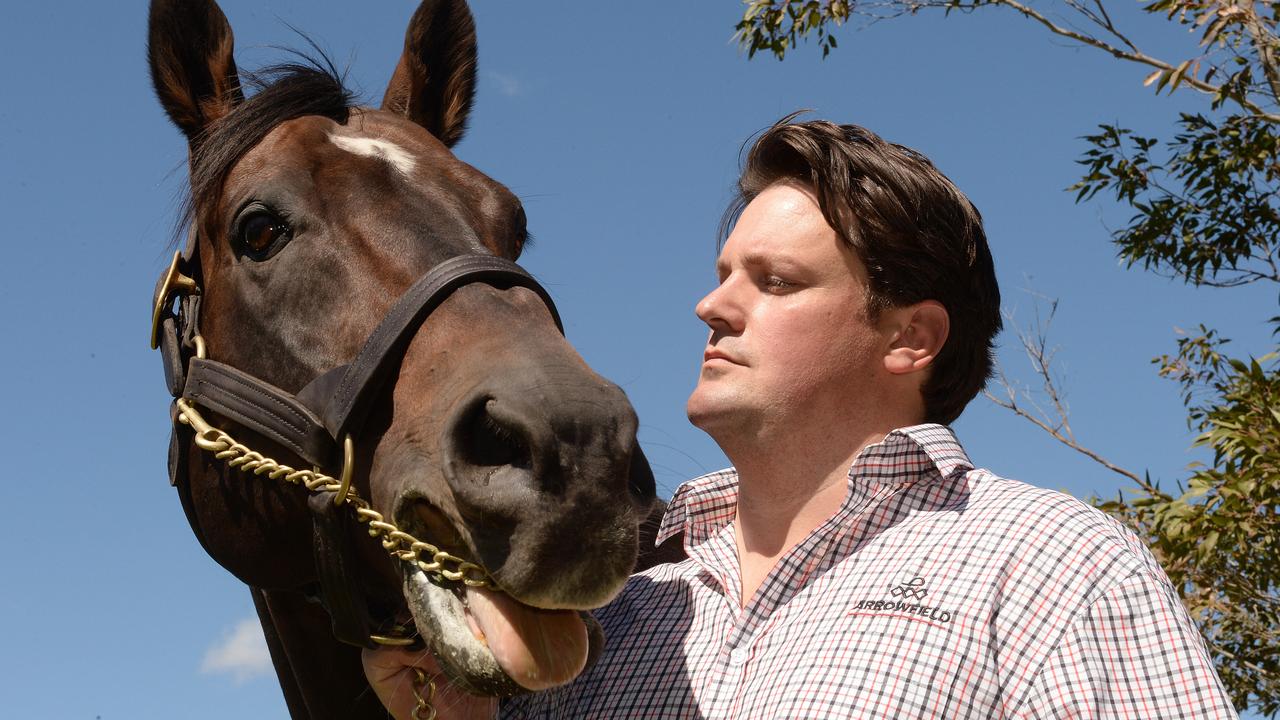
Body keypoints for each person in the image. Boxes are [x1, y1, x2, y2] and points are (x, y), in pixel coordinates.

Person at [366, 117, 1237, 718]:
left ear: (909, 338)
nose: (712, 305)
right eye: (723, 272)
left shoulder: (1054, 566)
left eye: (773, 281)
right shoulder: (617, 605)